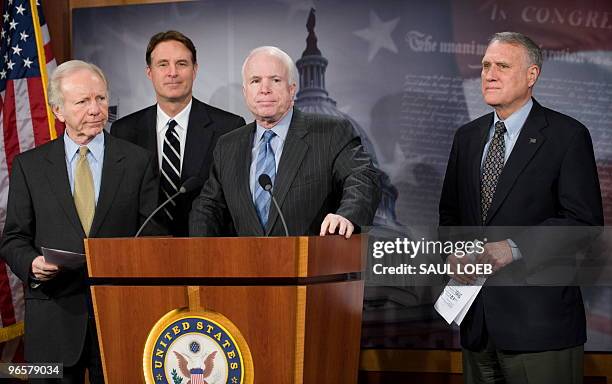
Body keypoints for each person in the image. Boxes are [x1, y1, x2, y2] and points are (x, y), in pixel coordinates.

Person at [439, 32, 603, 383]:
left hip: (540, 329)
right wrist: (453, 253)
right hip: (477, 326)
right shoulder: (466, 137)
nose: (489, 74)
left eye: (502, 66)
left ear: (532, 75)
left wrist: (512, 249)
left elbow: (583, 223)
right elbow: (450, 216)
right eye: (485, 65)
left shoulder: (567, 136)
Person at [0, 60, 162, 383]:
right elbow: (13, 238)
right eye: (83, 101)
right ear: (58, 111)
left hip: (119, 317)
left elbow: (154, 234)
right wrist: (32, 263)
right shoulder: (30, 166)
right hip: (53, 319)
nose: (95, 109)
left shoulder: (137, 161)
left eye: (100, 99)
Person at [189, 46, 381, 237]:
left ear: (292, 89)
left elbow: (362, 178)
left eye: (275, 80)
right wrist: (198, 252)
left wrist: (346, 216)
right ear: (245, 92)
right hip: (247, 264)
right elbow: (209, 206)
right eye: (255, 81)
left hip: (314, 262)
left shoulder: (331, 132)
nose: (265, 89)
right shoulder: (228, 146)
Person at [111, 30, 246, 236]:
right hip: (144, 255)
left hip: (208, 251)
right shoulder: (124, 131)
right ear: (149, 72)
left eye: (182, 64)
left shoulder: (229, 127)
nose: (172, 72)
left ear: (195, 70)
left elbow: (235, 203)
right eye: (163, 64)